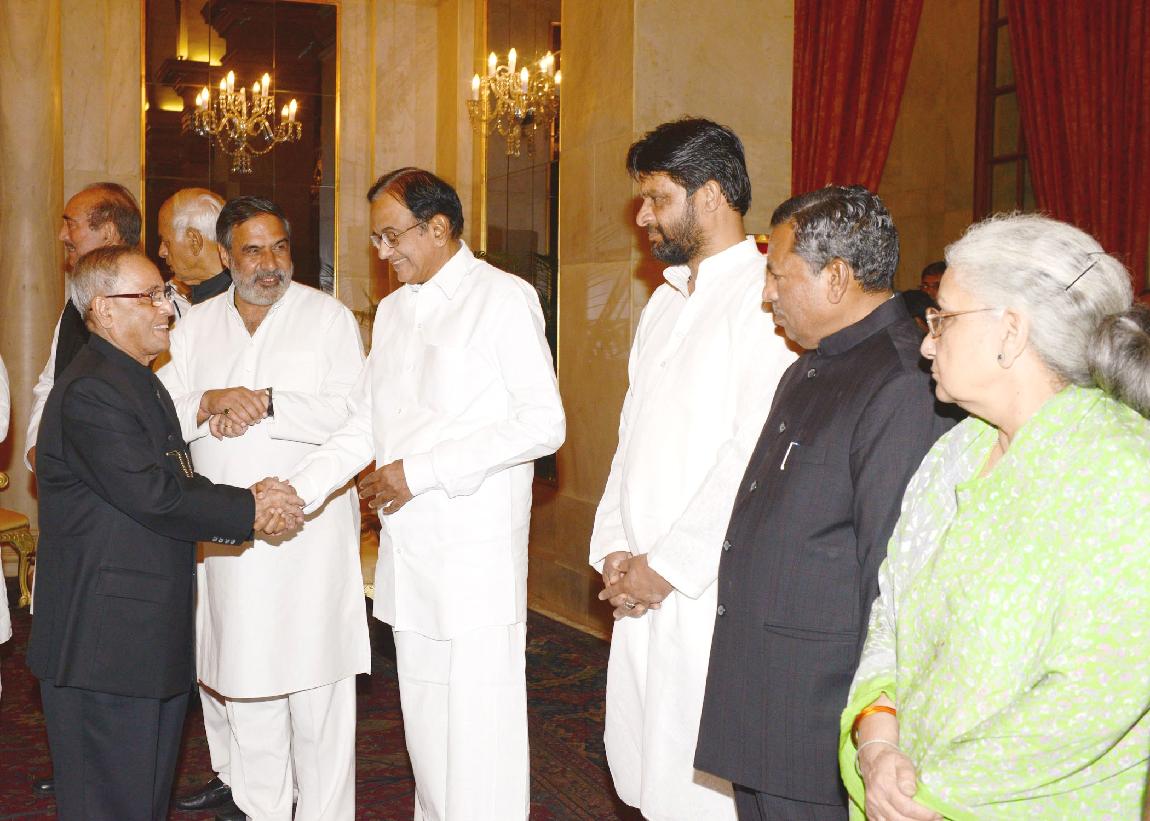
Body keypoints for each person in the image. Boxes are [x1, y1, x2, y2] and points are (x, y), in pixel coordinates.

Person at [843, 214, 1150, 820]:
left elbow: (1092, 696)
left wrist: (929, 793)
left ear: (1011, 331)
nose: (927, 342)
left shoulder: (1124, 471)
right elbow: (891, 615)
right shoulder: (956, 450)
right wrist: (877, 744)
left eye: (944, 318)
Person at [287, 167, 565, 821]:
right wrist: (294, 489)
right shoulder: (392, 312)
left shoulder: (502, 297)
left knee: (479, 737)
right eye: (377, 239)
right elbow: (362, 423)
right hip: (409, 558)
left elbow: (543, 423)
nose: (382, 252)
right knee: (426, 733)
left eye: (392, 236)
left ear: (438, 229)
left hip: (475, 558)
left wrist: (421, 471)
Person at [695, 185, 955, 820]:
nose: (767, 294)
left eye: (778, 275)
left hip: (820, 715)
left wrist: (878, 729)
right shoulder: (810, 366)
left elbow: (890, 577)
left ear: (836, 277)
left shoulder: (902, 382)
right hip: (769, 698)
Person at [26, 245, 304, 821]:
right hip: (104, 643)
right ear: (103, 310)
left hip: (138, 635)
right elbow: (155, 495)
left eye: (165, 294)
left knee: (141, 801)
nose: (166, 309)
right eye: (150, 296)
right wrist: (251, 507)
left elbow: (174, 481)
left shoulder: (135, 380)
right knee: (111, 803)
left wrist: (246, 499)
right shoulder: (92, 390)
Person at [589, 118, 796, 820]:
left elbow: (753, 454)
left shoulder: (765, 298)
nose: (643, 216)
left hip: (706, 586)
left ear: (709, 195)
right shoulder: (663, 301)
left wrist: (669, 566)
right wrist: (616, 549)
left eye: (657, 198)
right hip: (640, 580)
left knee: (703, 787)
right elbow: (630, 438)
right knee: (649, 768)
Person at [159, 196, 370, 821]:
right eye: (253, 251)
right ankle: (263, 811)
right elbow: (160, 417)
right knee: (245, 686)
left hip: (311, 533)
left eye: (279, 247)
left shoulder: (327, 318)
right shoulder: (191, 328)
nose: (270, 263)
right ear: (225, 256)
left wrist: (269, 402)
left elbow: (357, 416)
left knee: (319, 694)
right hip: (229, 541)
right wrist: (209, 405)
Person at [153, 187, 238, 818]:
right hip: (192, 500)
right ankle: (225, 767)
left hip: (243, 503)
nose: (162, 252)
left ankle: (250, 779)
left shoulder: (249, 307)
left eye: (165, 239)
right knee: (208, 641)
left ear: (191, 239)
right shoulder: (177, 312)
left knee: (240, 644)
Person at [25, 182, 142, 471]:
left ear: (108, 232)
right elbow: (51, 382)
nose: (62, 235)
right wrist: (37, 446)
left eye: (71, 224)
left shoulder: (149, 305)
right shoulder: (72, 306)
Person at [157, 187, 233, 305]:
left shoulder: (238, 303)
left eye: (166, 242)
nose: (161, 252)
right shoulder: (214, 295)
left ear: (194, 241)